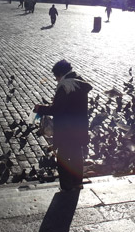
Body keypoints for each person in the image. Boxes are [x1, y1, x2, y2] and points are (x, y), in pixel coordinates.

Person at [33, 60, 92, 191]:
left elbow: (56, 110)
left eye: (56, 77)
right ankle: (77, 183)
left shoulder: (65, 86)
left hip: (66, 129)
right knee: (77, 155)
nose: (56, 80)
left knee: (63, 158)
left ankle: (66, 186)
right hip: (79, 126)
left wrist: (40, 108)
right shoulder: (79, 82)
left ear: (60, 74)